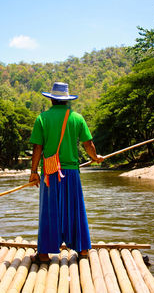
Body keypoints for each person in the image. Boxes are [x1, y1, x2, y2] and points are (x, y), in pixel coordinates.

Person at [29, 82, 104, 263]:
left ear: (52, 99)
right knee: (75, 210)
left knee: (49, 211)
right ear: (67, 100)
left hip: (49, 172)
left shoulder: (42, 118)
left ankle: (44, 254)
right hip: (71, 172)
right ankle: (83, 250)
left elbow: (37, 148)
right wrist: (95, 157)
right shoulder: (77, 118)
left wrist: (33, 172)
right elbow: (88, 144)